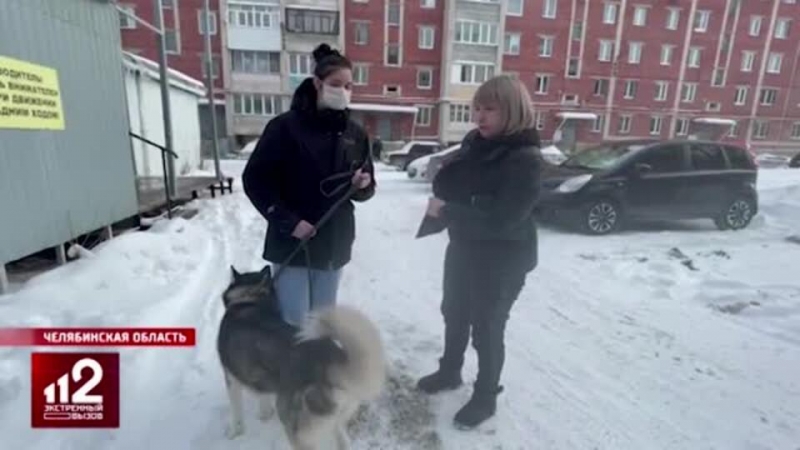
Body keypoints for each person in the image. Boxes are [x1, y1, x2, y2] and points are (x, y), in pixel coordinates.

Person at [416, 74, 542, 429]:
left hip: (504, 257)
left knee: (486, 326)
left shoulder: (526, 159)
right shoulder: (476, 143)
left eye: (490, 109)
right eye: (477, 108)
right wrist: (463, 198)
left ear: (513, 111)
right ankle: (449, 371)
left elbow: (504, 219)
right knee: (453, 311)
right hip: (465, 246)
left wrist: (454, 209)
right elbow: (447, 183)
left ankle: (486, 396)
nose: (479, 117)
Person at [242, 43, 375, 326]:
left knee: (323, 326)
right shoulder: (284, 127)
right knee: (294, 325)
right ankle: (293, 372)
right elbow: (255, 180)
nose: (344, 91)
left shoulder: (356, 132)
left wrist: (362, 184)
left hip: (334, 245)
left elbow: (368, 187)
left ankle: (318, 372)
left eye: (349, 85)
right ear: (317, 83)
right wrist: (290, 222)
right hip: (293, 244)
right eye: (336, 84)